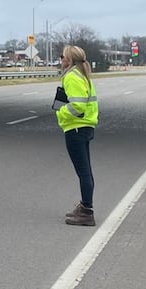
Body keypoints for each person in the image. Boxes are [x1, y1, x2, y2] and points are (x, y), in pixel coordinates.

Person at [53, 45, 99, 227]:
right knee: (86, 170)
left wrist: (61, 113)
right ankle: (85, 206)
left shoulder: (72, 77)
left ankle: (87, 211)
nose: (60, 59)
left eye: (62, 56)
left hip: (76, 129)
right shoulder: (83, 76)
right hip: (86, 127)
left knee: (83, 172)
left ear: (69, 60)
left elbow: (77, 106)